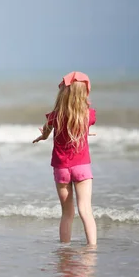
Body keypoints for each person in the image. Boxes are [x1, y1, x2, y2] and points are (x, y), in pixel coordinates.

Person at [33, 71, 97, 246]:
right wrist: (84, 132)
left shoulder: (55, 116)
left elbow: (47, 129)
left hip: (62, 168)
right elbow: (78, 124)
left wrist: (44, 136)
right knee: (86, 211)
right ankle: (92, 248)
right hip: (82, 167)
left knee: (67, 213)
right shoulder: (88, 114)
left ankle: (65, 249)